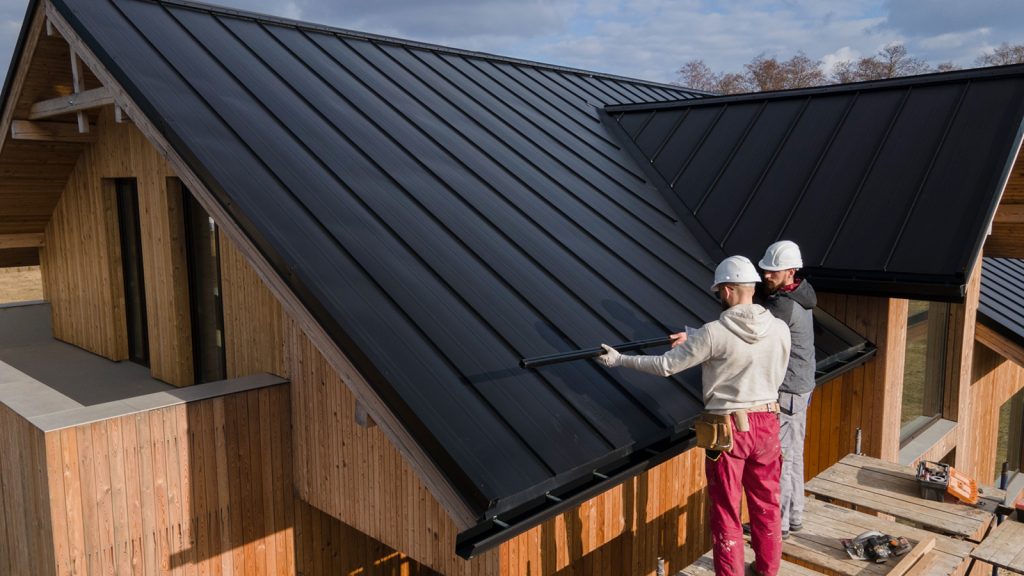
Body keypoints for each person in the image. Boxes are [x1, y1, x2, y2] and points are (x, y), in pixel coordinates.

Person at [596, 255, 791, 576]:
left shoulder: (713, 333)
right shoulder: (780, 328)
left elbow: (665, 366)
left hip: (728, 429)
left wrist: (620, 360)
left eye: (718, 293)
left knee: (727, 510)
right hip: (768, 423)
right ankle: (768, 571)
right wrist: (696, 338)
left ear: (727, 290)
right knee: (767, 504)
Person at [757, 240, 816, 539]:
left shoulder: (783, 306)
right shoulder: (802, 294)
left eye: (773, 271)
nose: (766, 275)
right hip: (800, 387)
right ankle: (794, 517)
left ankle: (778, 526)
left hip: (790, 390)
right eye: (765, 269)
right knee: (794, 454)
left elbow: (753, 331)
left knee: (782, 458)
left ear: (791, 271)